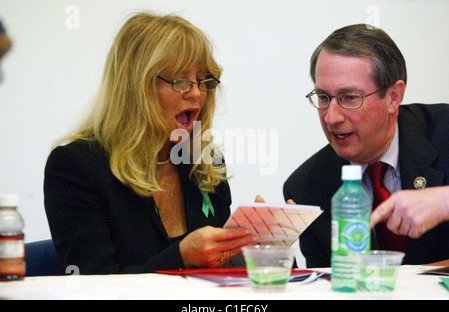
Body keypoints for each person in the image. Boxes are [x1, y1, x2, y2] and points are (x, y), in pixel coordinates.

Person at [44, 13, 254, 275]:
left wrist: (258, 243)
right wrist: (181, 257)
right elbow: (93, 284)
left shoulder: (206, 164)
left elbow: (221, 275)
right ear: (135, 88)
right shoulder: (76, 167)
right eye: (179, 80)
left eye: (202, 80)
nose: (196, 93)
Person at [284, 24, 449, 268]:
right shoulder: (306, 189)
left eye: (349, 98)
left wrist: (444, 202)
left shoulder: (443, 131)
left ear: (393, 96)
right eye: (323, 98)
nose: (331, 117)